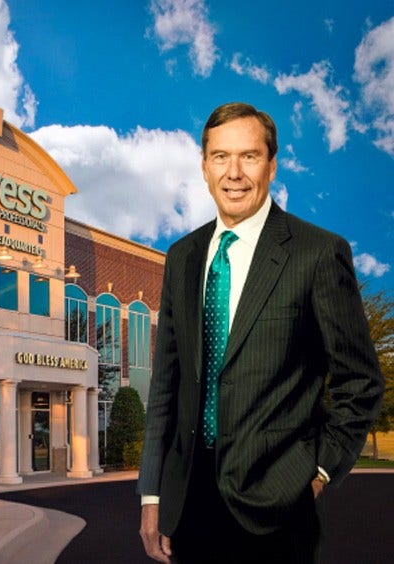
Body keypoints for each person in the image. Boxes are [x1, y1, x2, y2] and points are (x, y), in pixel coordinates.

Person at [137, 102, 383, 564]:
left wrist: (316, 473)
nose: (234, 173)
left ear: (271, 165)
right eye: (220, 157)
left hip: (278, 509)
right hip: (188, 503)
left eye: (249, 156)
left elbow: (361, 382)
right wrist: (151, 495)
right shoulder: (183, 256)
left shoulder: (317, 253)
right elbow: (167, 387)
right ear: (204, 167)